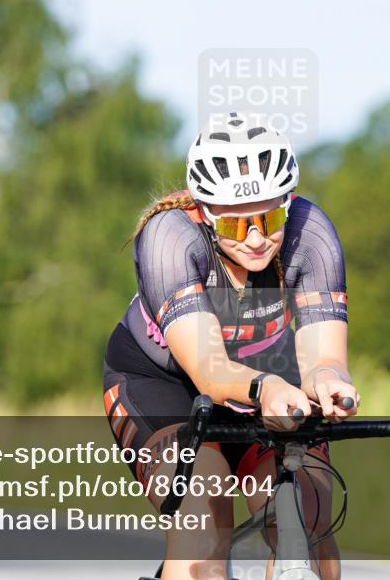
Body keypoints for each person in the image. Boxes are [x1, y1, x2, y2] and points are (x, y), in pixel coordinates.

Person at [103, 112, 358, 580]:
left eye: (270, 216)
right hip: (167, 386)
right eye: (237, 227)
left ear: (289, 200)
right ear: (204, 211)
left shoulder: (311, 233)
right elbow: (211, 372)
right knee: (204, 504)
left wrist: (331, 384)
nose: (258, 237)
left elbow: (325, 359)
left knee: (309, 515)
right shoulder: (170, 238)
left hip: (272, 379)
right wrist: (268, 389)